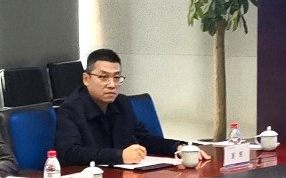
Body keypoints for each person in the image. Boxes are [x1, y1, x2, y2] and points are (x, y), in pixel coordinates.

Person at [55, 48, 199, 167]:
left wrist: (178, 147)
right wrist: (120, 156)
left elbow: (143, 138)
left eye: (116, 77)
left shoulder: (122, 103)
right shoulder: (70, 109)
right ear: (86, 79)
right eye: (103, 77)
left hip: (121, 177)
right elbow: (69, 153)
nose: (112, 85)